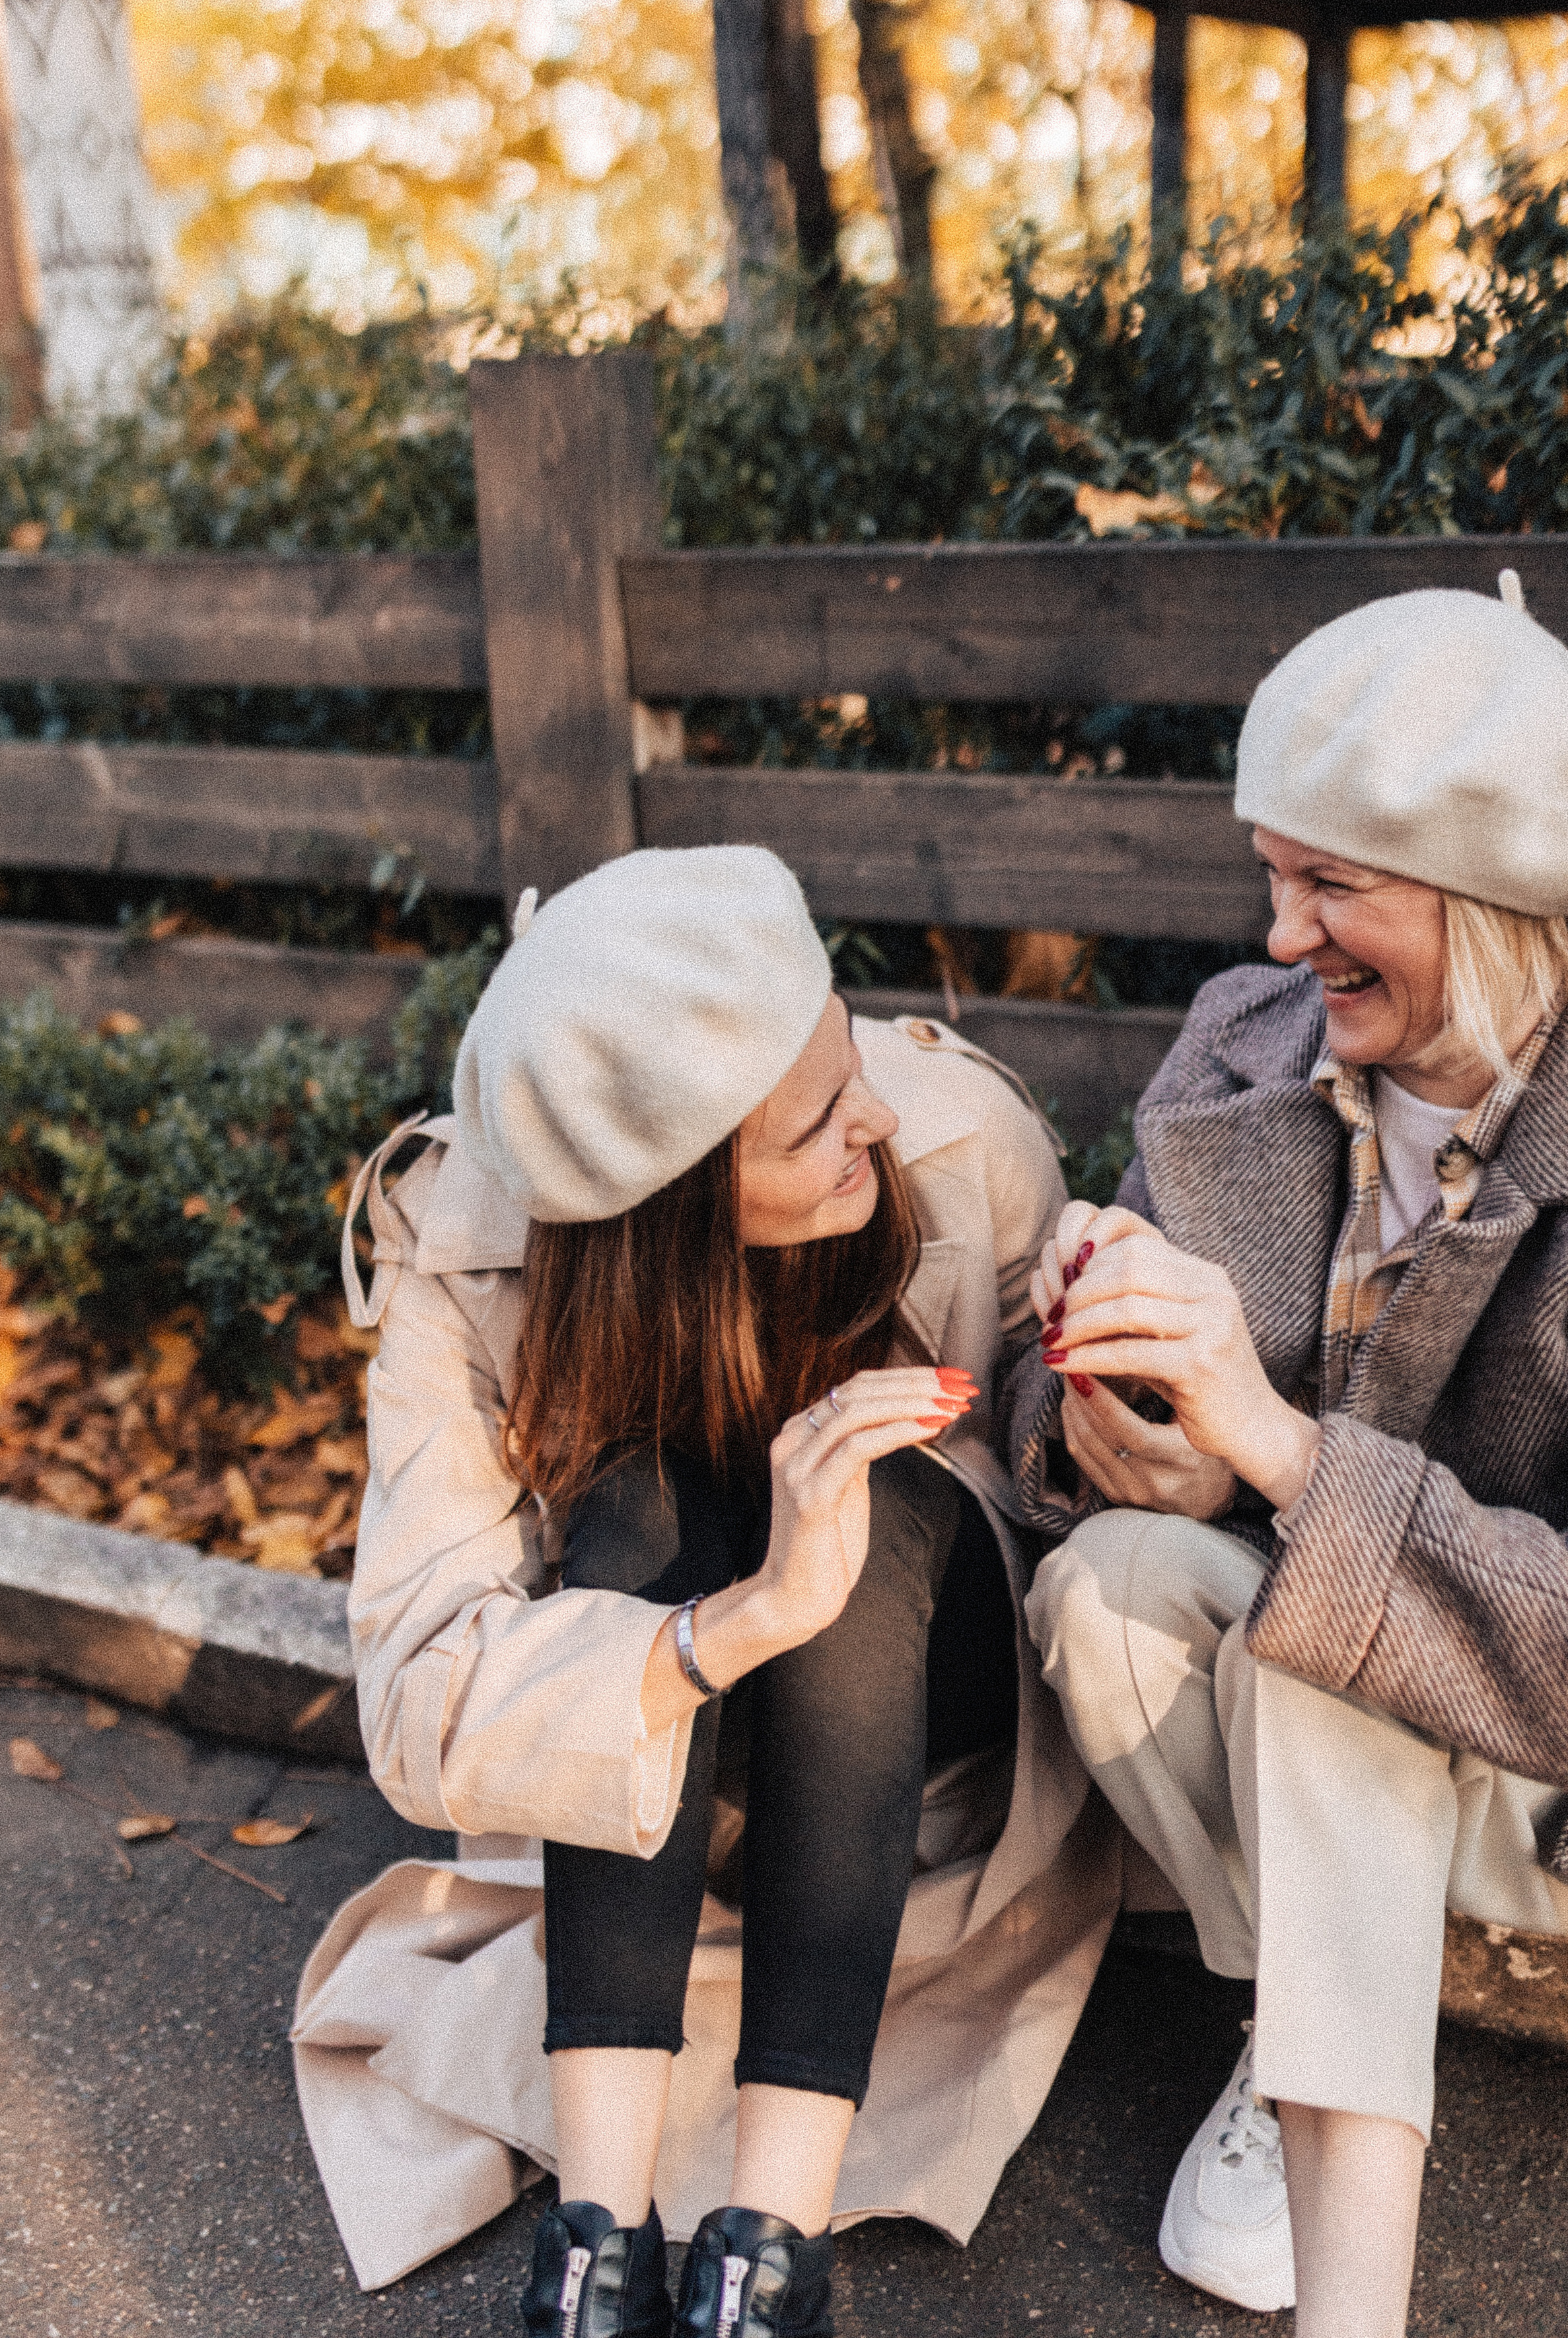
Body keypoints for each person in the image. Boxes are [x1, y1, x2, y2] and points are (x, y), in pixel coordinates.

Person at [291, 844, 1117, 2335]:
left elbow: (1058, 1496)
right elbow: (415, 1701)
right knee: (635, 1506)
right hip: (682, 1733)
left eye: (844, 1053)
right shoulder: (465, 1244)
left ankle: (766, 2253)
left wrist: (1109, 1404)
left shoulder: (956, 1138)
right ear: (677, 1196)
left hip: (917, 1700)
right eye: (815, 1124)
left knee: (863, 1493)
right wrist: (740, 1621)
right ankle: (595, 2250)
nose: (873, 1115)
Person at [1007, 577, 1568, 2338]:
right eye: (1270, 874)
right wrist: (1101, 1397)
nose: (1279, 935)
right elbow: (1079, 1432)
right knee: (1108, 1590)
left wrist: (1272, 1450)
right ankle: (1306, 2028)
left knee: (1331, 1628)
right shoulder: (1242, 1047)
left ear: (1489, 888)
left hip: (1538, 1772)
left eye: (1330, 885)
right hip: (1322, 1738)